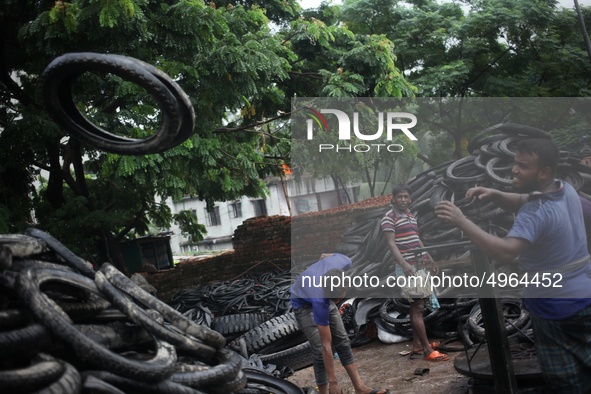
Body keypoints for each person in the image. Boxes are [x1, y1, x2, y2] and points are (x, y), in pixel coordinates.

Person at [435, 138, 591, 393]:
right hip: (584, 299)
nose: (514, 170)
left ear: (544, 172)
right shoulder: (565, 190)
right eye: (515, 163)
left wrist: (461, 220)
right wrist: (496, 195)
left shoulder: (535, 213)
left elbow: (506, 251)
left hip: (556, 310)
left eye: (523, 166)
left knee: (566, 381)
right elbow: (524, 198)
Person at [290, 253, 390, 394]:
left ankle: (360, 388)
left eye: (338, 300)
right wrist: (333, 382)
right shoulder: (319, 300)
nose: (337, 304)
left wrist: (323, 260)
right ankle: (325, 392)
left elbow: (325, 255)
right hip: (303, 304)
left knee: (342, 341)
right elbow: (326, 345)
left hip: (321, 290)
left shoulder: (343, 262)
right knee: (319, 349)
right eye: (334, 300)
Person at [381, 184, 448, 362]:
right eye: (399, 196)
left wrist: (430, 258)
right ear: (393, 198)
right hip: (407, 268)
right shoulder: (389, 217)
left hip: (419, 266)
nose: (403, 199)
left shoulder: (410, 216)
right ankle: (427, 350)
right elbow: (391, 244)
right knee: (418, 307)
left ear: (410, 199)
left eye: (406, 197)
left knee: (416, 306)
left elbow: (417, 240)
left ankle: (417, 345)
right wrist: (403, 264)